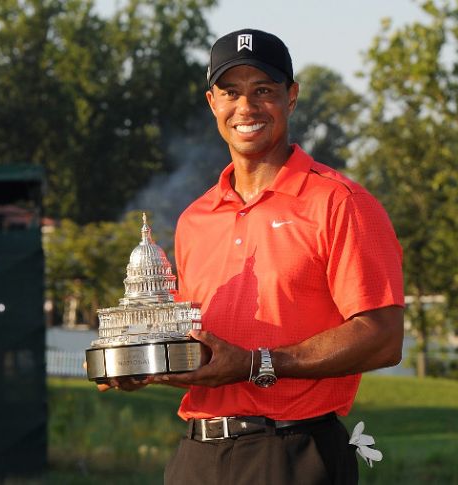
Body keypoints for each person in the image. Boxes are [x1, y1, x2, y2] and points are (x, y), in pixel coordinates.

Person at [98, 28, 405, 484]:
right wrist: (142, 364)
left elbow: (383, 337)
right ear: (212, 103)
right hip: (196, 455)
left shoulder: (340, 202)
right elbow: (206, 354)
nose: (246, 108)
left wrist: (257, 363)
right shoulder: (194, 219)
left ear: (291, 97)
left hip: (294, 452)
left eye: (264, 90)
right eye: (231, 92)